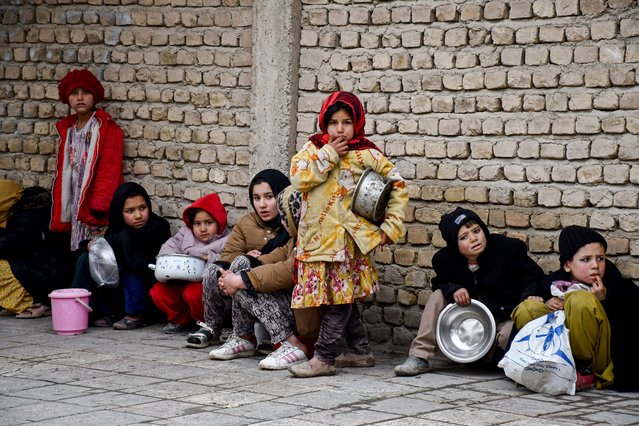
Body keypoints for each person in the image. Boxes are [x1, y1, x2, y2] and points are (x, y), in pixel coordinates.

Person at [288, 91, 409, 378]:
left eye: (346, 122)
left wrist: (390, 227)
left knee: (340, 299)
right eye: (333, 122)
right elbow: (298, 179)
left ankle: (324, 357)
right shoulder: (312, 150)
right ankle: (359, 350)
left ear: (357, 123)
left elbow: (398, 187)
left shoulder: (367, 154)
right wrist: (329, 154)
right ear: (323, 125)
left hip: (348, 243)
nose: (339, 129)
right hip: (316, 241)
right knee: (339, 297)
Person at [395, 207, 546, 376]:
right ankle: (419, 356)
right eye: (464, 237)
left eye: (476, 231)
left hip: (504, 318)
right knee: (438, 296)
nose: (474, 239)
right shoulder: (446, 261)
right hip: (472, 326)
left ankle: (500, 362)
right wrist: (453, 289)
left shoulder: (508, 250)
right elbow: (439, 282)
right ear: (454, 244)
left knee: (507, 337)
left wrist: (531, 294)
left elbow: (535, 276)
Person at [512, 225, 639, 392]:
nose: (595, 265)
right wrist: (547, 301)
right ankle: (537, 363)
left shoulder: (616, 285)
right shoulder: (554, 282)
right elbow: (534, 289)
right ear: (567, 265)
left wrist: (605, 299)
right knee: (528, 308)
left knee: (580, 299)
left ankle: (583, 369)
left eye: (600, 258)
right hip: (558, 354)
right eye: (586, 260)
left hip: (598, 360)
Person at [187, 169, 291, 349]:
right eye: (257, 198)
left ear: (282, 196)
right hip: (240, 285)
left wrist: (253, 261)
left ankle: (244, 335)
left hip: (276, 289)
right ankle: (213, 327)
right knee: (214, 270)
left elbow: (285, 260)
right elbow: (228, 254)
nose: (262, 205)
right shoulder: (247, 222)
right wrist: (238, 264)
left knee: (243, 266)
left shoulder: (290, 224)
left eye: (269, 197)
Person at [209, 186, 310, 370]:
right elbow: (273, 258)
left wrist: (243, 279)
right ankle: (243, 337)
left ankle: (293, 343)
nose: (282, 222)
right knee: (239, 269)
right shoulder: (293, 241)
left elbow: (285, 271)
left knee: (241, 283)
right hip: (293, 306)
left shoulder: (309, 241)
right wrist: (239, 271)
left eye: (284, 217)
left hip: (305, 314)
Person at [72, 182, 170, 330]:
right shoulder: (116, 230)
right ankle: (82, 310)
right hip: (119, 288)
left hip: (146, 286)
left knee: (128, 269)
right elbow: (108, 249)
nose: (138, 216)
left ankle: (136, 316)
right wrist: (90, 246)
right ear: (119, 212)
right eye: (130, 211)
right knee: (87, 259)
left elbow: (135, 258)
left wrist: (115, 244)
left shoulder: (158, 226)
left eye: (142, 208)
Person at [51, 68, 124, 252]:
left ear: (95, 96)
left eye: (86, 92)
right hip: (76, 195)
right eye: (74, 93)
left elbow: (110, 169)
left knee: (95, 249)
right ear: (68, 98)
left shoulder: (105, 128)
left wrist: (100, 204)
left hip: (94, 199)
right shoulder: (69, 129)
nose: (80, 97)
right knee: (77, 245)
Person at [149, 193, 230, 334]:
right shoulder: (185, 234)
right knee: (158, 291)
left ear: (220, 221)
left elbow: (228, 259)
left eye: (208, 223)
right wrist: (171, 259)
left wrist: (210, 257)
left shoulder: (226, 240)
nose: (202, 229)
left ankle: (207, 322)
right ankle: (180, 320)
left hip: (204, 284)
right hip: (179, 279)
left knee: (193, 293)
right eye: (197, 224)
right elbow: (169, 247)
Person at [0, 186, 69, 318]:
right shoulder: (50, 213)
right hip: (55, 273)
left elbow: (5, 246)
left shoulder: (24, 219)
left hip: (43, 274)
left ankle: (29, 304)